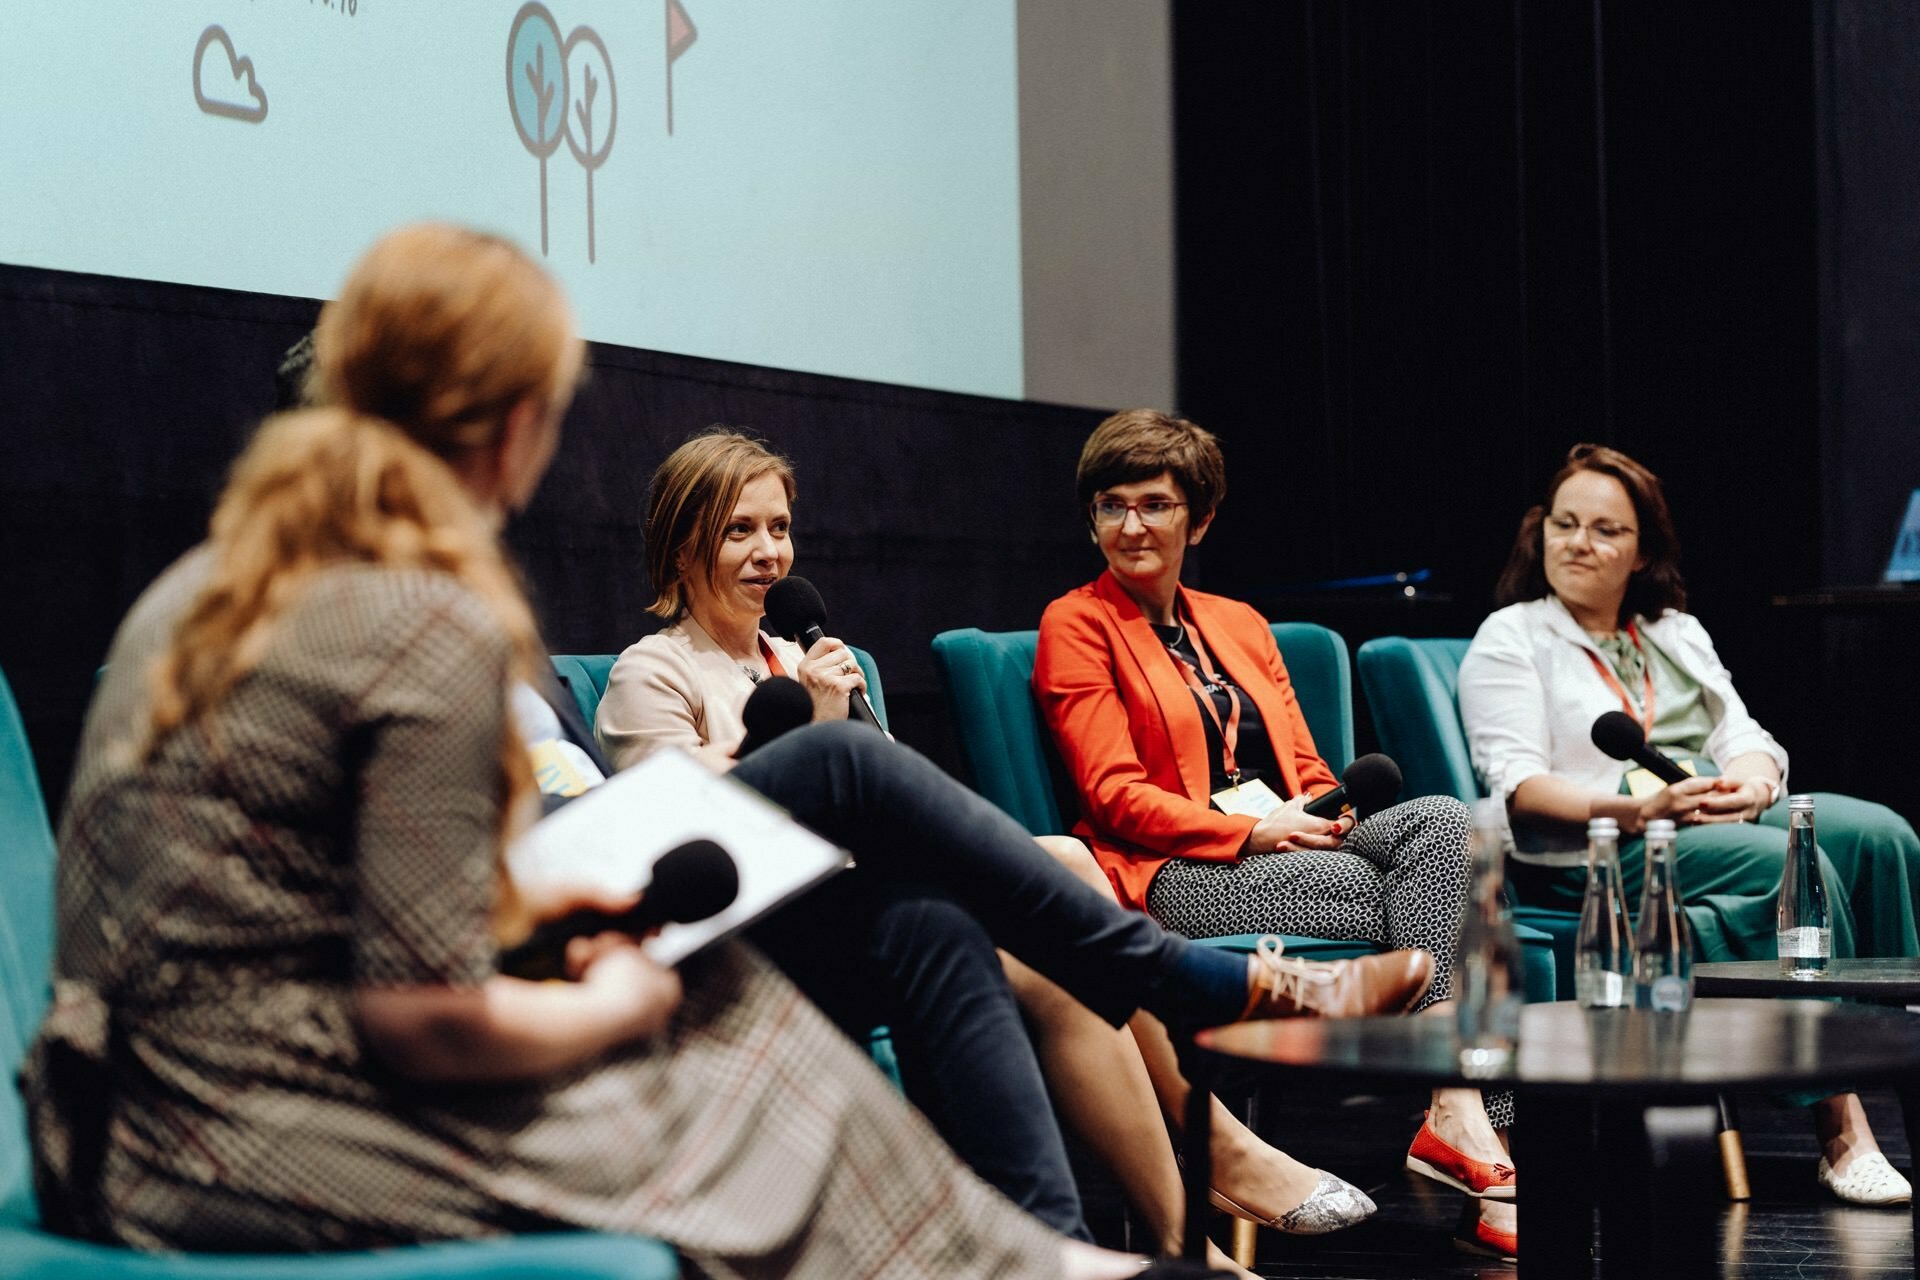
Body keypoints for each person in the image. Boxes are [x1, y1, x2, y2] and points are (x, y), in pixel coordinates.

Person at [22, 224, 1425, 1279]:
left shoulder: (236, 592)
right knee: (832, 779)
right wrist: (613, 1002)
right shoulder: (387, 622)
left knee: (926, 920)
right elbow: (415, 1006)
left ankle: (1043, 1245)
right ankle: (1186, 989)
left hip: (267, 1051)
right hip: (245, 1114)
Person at [595, 429, 1378, 1271]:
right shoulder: (654, 673)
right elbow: (683, 836)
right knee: (1065, 905)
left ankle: (1167, 1230)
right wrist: (814, 728)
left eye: (779, 527)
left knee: (1063, 909)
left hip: (874, 902)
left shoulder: (805, 656)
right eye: (737, 531)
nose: (768, 553)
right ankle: (1189, 1190)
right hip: (772, 933)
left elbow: (890, 805)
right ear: (681, 547)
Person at [1033, 408, 1519, 1260]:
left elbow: (1305, 766)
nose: (1132, 526)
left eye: (1155, 504)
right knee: (1436, 898)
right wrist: (1255, 837)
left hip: (1291, 838)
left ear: (1200, 518)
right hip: (1173, 868)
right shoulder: (1076, 624)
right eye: (1112, 506)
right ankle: (1470, 1113)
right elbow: (1113, 795)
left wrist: (1329, 813)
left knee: (1451, 827)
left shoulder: (1242, 624)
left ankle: (1456, 1107)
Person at [1459, 441, 1919, 1207]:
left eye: (1606, 530)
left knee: (1878, 834)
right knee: (1783, 861)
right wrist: (1639, 808)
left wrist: (1755, 778)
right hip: (1601, 846)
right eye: (1564, 524)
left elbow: (1743, 733)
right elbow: (1520, 788)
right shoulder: (1513, 636)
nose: (1578, 542)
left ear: (1642, 553)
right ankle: (1842, 1124)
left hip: (1701, 819)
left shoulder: (1673, 631)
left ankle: (1903, 1059)